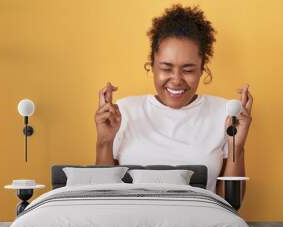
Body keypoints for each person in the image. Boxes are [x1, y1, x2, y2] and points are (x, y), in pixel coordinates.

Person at [94, 4, 253, 198]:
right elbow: (103, 197)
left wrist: (236, 146)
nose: (176, 79)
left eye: (188, 69)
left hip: (199, 224)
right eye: (166, 68)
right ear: (151, 65)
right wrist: (104, 141)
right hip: (134, 223)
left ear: (202, 69)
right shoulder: (125, 111)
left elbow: (230, 204)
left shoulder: (224, 114)